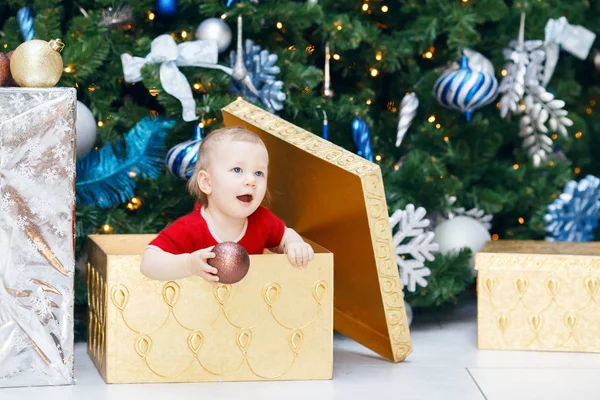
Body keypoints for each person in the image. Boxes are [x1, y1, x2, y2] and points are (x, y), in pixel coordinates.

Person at [140, 126, 314, 283]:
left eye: (259, 173)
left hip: (248, 309)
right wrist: (188, 264)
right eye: (237, 170)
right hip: (198, 312)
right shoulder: (190, 228)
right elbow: (149, 263)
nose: (251, 180)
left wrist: (293, 244)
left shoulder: (262, 220)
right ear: (207, 183)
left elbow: (284, 236)